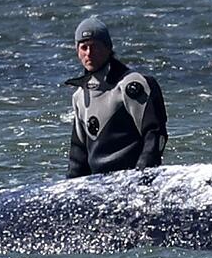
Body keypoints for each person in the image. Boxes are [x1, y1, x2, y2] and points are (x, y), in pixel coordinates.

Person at [64, 17, 167, 178]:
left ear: (108, 47)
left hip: (132, 179)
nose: (89, 53)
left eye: (94, 47)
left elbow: (155, 133)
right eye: (84, 47)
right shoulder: (80, 96)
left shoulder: (132, 85)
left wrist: (143, 176)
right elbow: (78, 155)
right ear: (77, 51)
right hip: (98, 185)